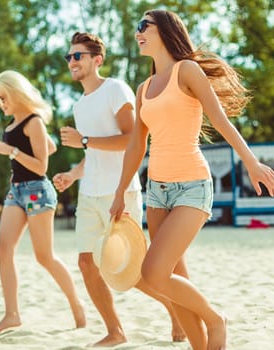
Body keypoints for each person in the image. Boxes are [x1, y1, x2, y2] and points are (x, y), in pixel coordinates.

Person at [109, 10, 274, 350]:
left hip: (192, 186)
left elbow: (219, 119)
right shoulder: (143, 88)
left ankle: (216, 319)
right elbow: (135, 146)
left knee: (153, 273)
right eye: (136, 27)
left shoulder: (187, 71)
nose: (138, 32)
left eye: (145, 26)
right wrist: (119, 193)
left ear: (166, 31)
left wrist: (251, 161)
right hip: (157, 192)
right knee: (176, 277)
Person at [52, 32, 186, 346]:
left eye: (77, 56)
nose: (71, 61)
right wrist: (73, 174)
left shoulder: (115, 89)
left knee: (133, 270)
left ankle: (176, 308)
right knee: (87, 264)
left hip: (120, 193)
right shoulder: (79, 105)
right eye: (69, 57)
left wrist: (84, 140)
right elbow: (92, 154)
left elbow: (132, 140)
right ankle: (115, 332)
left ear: (97, 60)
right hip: (89, 194)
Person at [0, 70, 86, 334]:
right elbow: (48, 147)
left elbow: (41, 166)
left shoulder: (33, 121)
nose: (1, 103)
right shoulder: (14, 123)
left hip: (37, 191)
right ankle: (11, 315)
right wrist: (19, 153)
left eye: (3, 97)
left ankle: (77, 305)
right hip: (16, 191)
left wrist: (12, 151)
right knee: (3, 250)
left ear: (16, 92)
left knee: (44, 257)